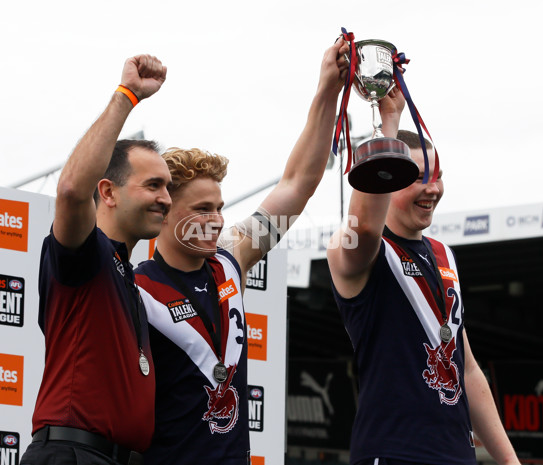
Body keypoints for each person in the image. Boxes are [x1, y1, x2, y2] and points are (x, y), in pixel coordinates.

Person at [134, 38, 350, 465]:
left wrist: (327, 91)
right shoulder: (135, 286)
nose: (216, 220)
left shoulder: (230, 263)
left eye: (219, 208)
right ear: (164, 209)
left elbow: (296, 184)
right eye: (201, 209)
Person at [326, 90, 520, 465]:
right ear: (390, 179)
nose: (433, 189)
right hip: (393, 453)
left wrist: (510, 462)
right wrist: (389, 123)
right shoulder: (358, 249)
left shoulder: (444, 254)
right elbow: (365, 225)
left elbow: (466, 367)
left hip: (456, 455)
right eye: (417, 178)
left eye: (438, 177)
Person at [20, 55, 172, 465]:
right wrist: (127, 96)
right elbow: (70, 190)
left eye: (168, 187)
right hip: (72, 454)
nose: (167, 198)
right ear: (107, 192)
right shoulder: (88, 254)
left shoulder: (130, 280)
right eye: (153, 184)